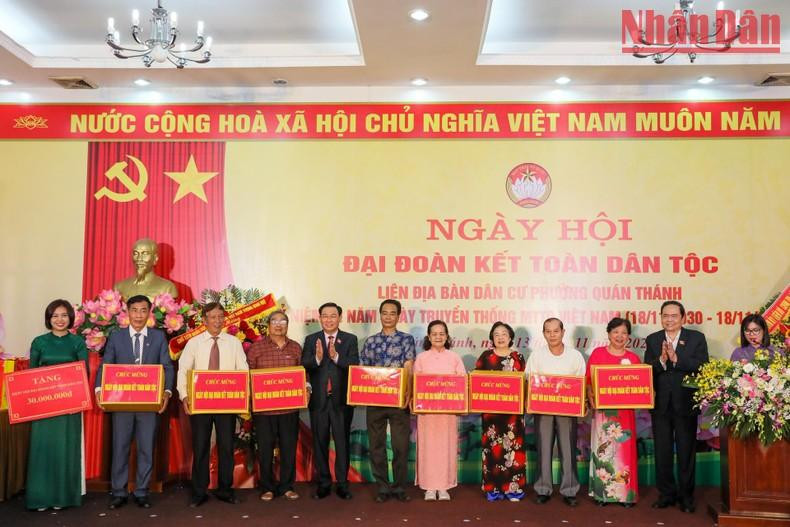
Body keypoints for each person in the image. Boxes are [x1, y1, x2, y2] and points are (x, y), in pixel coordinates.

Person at [95, 294, 174, 509]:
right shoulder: (116, 336)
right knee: (120, 447)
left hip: (149, 404)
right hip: (121, 403)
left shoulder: (158, 337)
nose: (138, 315)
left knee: (146, 448)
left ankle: (141, 491)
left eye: (143, 310)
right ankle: (118, 492)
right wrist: (99, 389)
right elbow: (106, 364)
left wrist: (166, 392)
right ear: (126, 312)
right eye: (134, 310)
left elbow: (166, 366)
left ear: (149, 313)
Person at [177, 302, 249, 507]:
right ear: (204, 320)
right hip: (201, 405)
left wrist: (241, 397)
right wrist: (184, 397)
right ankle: (199, 491)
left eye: (220, 317)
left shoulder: (234, 343)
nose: (217, 321)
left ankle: (226, 490)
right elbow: (183, 370)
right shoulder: (194, 343)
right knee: (201, 447)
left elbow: (243, 371)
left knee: (227, 447)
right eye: (213, 317)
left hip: (227, 404)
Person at [644, 300, 708, 514]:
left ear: (683, 318)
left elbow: (702, 366)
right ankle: (666, 494)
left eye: (673, 316)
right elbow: (647, 371)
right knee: (662, 452)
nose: (669, 319)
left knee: (685, 452)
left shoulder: (696, 338)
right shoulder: (653, 339)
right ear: (660, 317)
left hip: (685, 404)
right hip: (661, 405)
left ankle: (686, 497)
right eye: (665, 315)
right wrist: (661, 361)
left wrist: (676, 358)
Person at [26, 299, 89, 511]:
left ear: (70, 317)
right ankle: (40, 497)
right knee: (42, 449)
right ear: (49, 319)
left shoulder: (77, 343)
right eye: (55, 316)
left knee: (65, 449)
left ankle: (62, 497)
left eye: (64, 315)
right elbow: (31, 374)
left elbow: (83, 374)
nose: (60, 320)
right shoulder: (39, 342)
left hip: (68, 408)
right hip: (43, 407)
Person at [525, 317, 586, 507]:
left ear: (563, 332)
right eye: (548, 331)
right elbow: (529, 379)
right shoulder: (537, 355)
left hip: (567, 409)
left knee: (568, 449)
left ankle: (569, 490)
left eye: (555, 331)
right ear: (543, 333)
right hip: (542, 409)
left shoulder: (575, 356)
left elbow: (581, 381)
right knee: (543, 448)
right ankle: (543, 489)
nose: (552, 335)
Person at [360, 299, 416, 503]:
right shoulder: (370, 341)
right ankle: (382, 487)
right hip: (375, 401)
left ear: (398, 316)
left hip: (399, 400)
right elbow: (363, 371)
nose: (388, 316)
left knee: (400, 445)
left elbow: (409, 367)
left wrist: (409, 393)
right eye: (385, 312)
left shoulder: (406, 339)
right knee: (377, 445)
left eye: (393, 313)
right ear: (380, 315)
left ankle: (400, 487)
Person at [302, 302, 359, 500]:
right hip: (318, 401)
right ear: (320, 318)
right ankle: (324, 483)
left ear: (340, 318)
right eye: (324, 316)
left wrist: (335, 357)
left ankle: (343, 484)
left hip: (341, 401)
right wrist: (317, 358)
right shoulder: (311, 339)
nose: (328, 319)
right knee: (320, 442)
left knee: (342, 442)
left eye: (332, 316)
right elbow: (304, 365)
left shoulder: (350, 339)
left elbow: (354, 365)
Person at [246, 310, 302, 502]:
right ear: (268, 325)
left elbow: (303, 376)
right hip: (264, 411)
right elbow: (248, 377)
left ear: (287, 325)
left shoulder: (295, 348)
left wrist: (307, 389)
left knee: (288, 448)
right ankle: (267, 487)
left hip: (289, 410)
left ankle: (287, 486)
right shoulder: (256, 348)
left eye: (283, 321)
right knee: (265, 449)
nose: (279, 325)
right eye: (275, 321)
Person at [585, 317, 641, 508]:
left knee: (624, 453)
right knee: (604, 452)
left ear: (628, 337)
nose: (619, 336)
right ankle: (602, 494)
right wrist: (591, 394)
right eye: (615, 332)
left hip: (625, 415)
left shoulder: (633, 359)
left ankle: (626, 495)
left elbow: (640, 386)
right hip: (604, 414)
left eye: (624, 333)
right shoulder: (598, 354)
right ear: (608, 334)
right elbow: (588, 382)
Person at [414, 320, 466, 501]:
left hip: (447, 413)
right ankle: (429, 487)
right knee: (428, 447)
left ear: (447, 336)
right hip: (427, 413)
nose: (438, 337)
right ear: (428, 337)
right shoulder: (421, 358)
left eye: (442, 333)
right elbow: (416, 384)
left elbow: (462, 383)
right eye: (434, 334)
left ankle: (444, 487)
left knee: (446, 447)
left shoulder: (454, 357)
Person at [475, 321, 526, 502]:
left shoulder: (518, 357)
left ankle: (513, 488)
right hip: (491, 416)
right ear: (492, 338)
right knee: (492, 450)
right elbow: (477, 383)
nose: (501, 337)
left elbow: (524, 384)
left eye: (504, 333)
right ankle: (493, 488)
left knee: (513, 450)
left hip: (513, 416)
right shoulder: (485, 357)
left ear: (510, 337)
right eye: (496, 334)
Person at [113, 238, 178, 301]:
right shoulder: (119, 287)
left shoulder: (167, 288)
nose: (139, 258)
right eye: (135, 253)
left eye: (145, 253)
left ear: (155, 258)